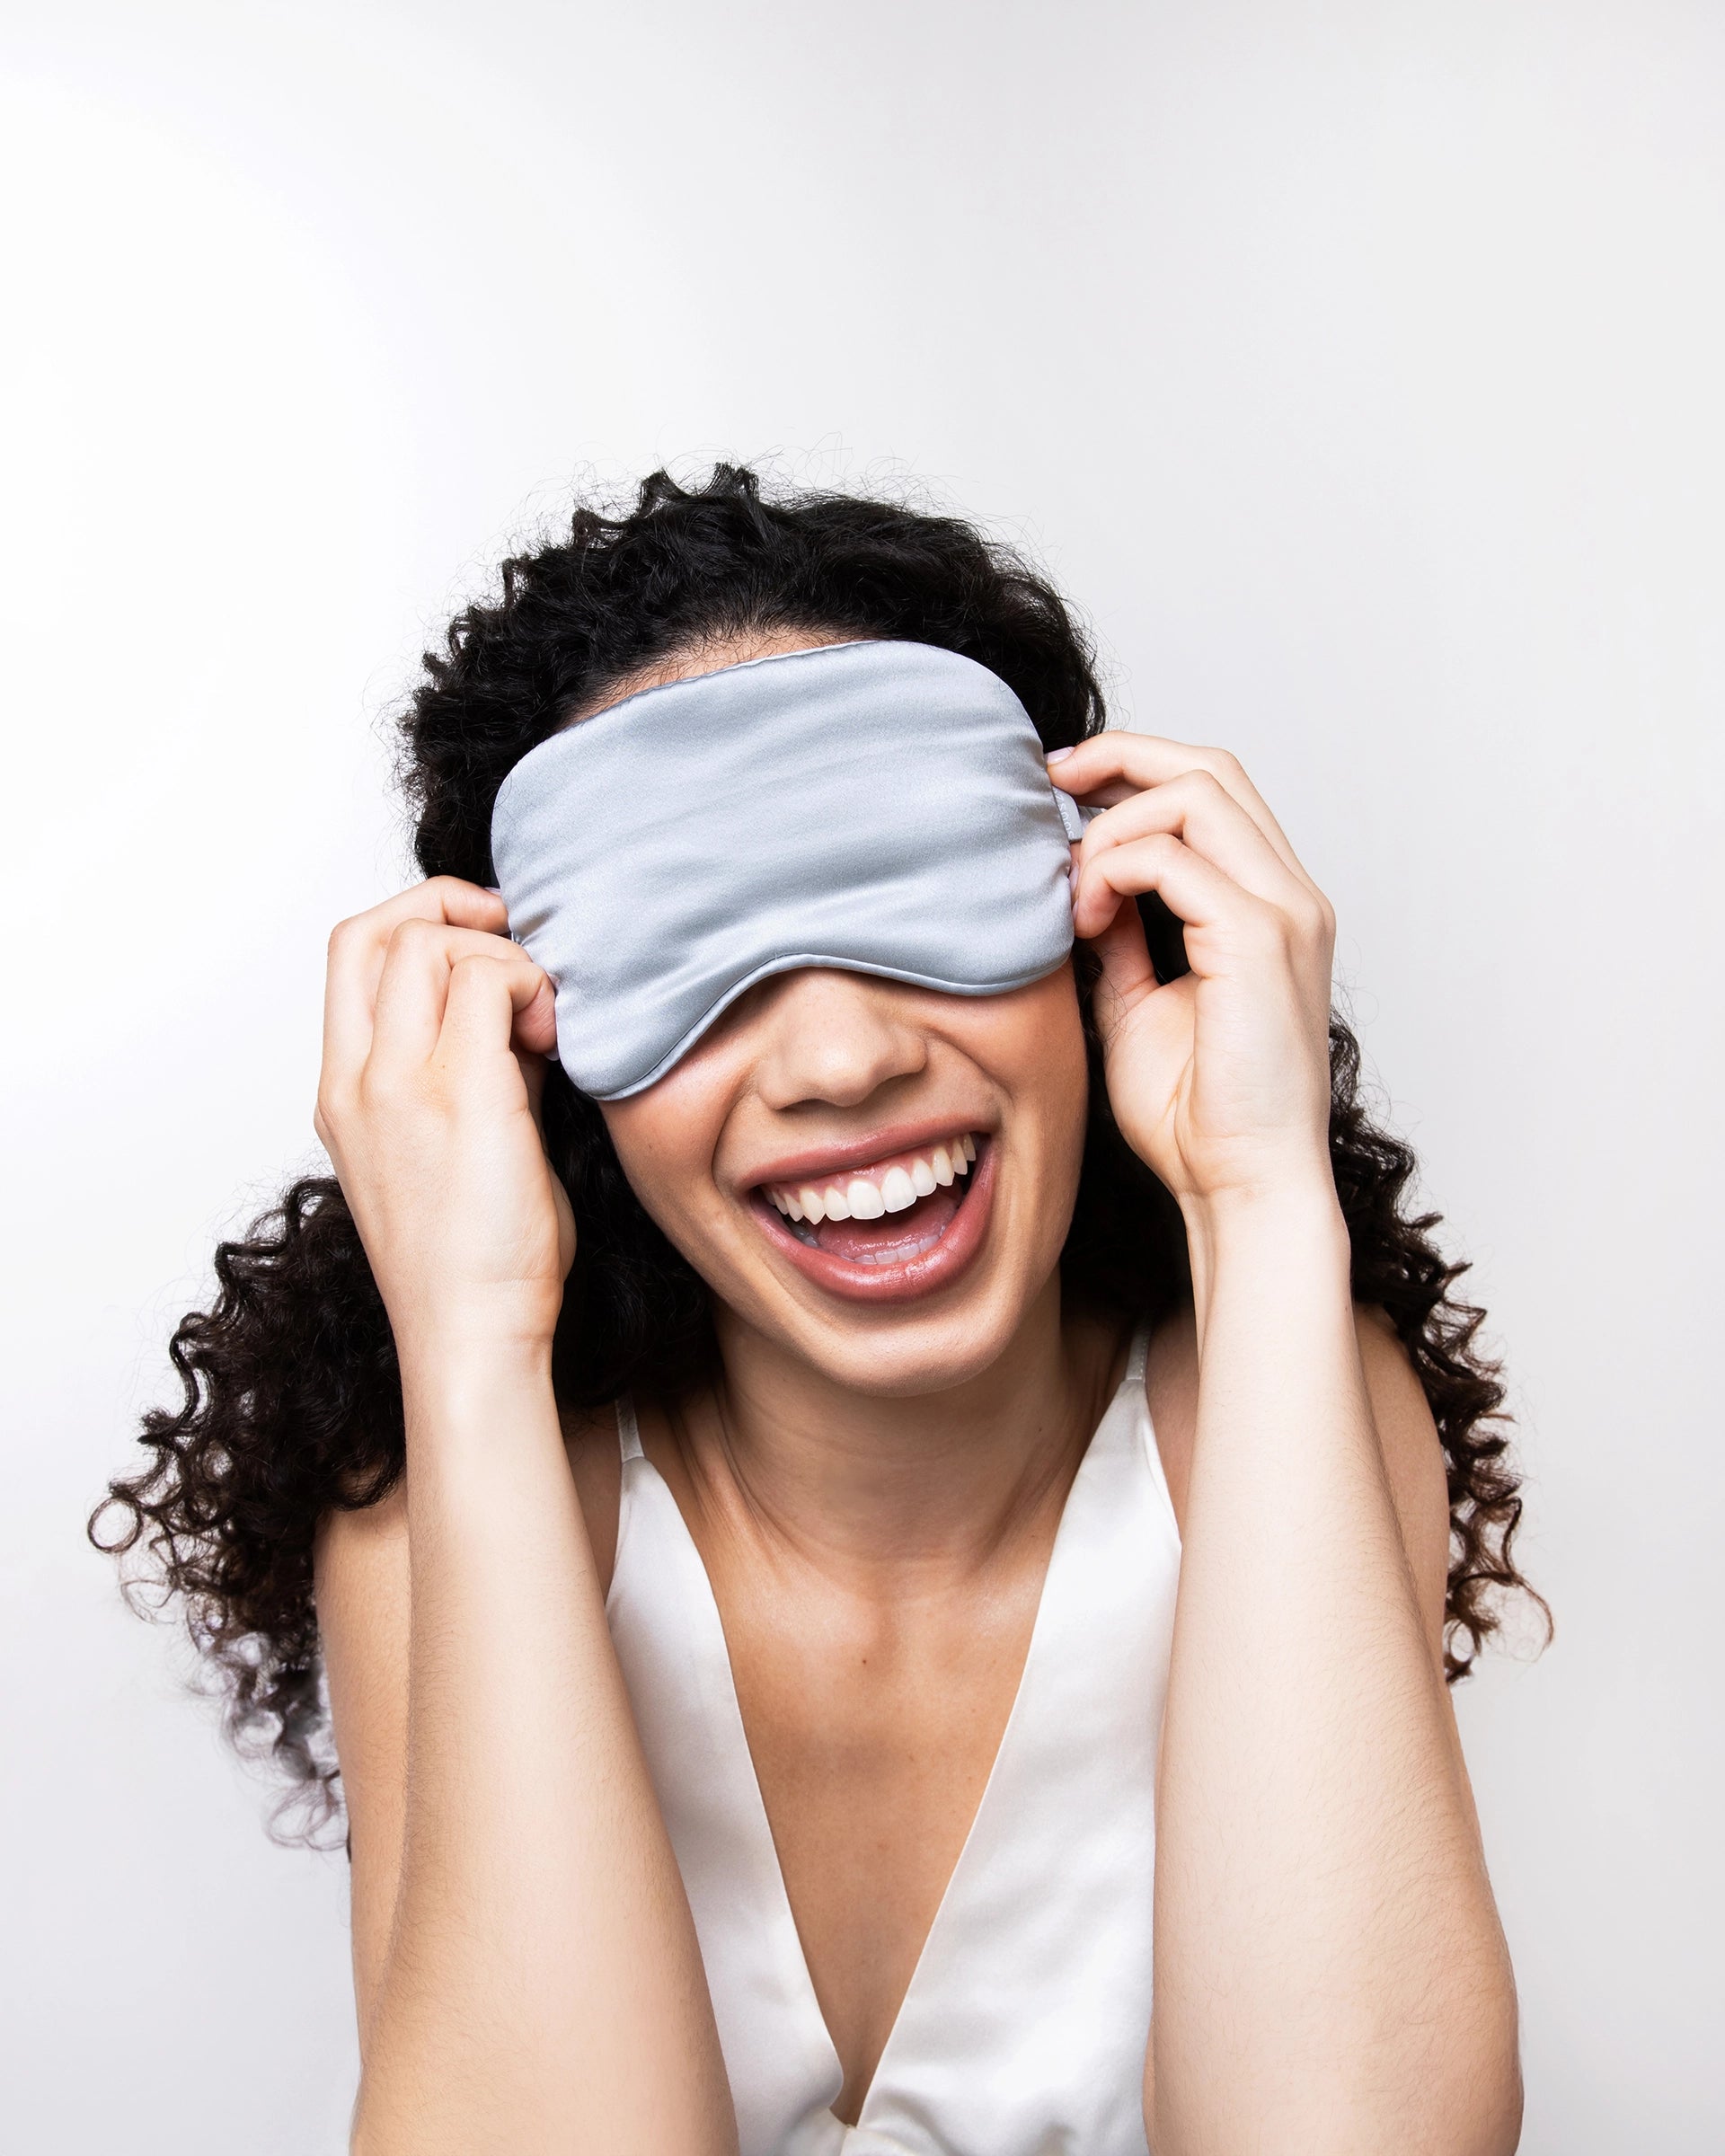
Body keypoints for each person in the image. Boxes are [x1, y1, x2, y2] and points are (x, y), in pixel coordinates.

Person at [94, 465, 1539, 2155]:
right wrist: (468, 1339)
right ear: (539, 1044)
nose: (846, 1061)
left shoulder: (1281, 1413)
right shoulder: (463, 1504)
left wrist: (1263, 1197)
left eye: (913, 903)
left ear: (1096, 912)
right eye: (696, 960)